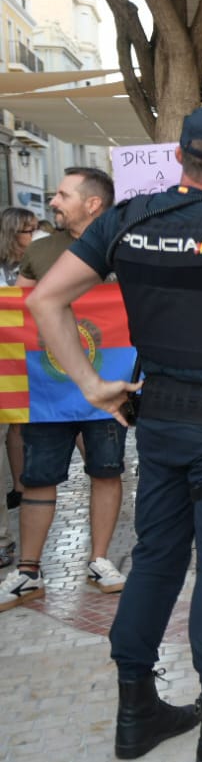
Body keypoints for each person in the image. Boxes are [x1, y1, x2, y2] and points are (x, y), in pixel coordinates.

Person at [26, 107, 202, 762]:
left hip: (155, 415)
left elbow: (45, 300)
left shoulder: (126, 220)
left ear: (181, 158)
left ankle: (137, 710)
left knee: (155, 553)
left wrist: (94, 386)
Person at [1, 169, 130, 610]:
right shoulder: (40, 250)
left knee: (107, 470)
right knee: (37, 477)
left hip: (107, 383)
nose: (52, 202)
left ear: (92, 204)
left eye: (62, 195)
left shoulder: (123, 247)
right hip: (49, 389)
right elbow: (20, 315)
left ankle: (99, 561)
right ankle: (27, 572)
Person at [0, 206, 36, 561]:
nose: (34, 236)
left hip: (30, 356)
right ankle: (20, 486)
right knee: (13, 426)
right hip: (5, 362)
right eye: (28, 230)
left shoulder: (35, 264)